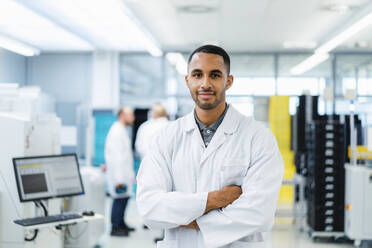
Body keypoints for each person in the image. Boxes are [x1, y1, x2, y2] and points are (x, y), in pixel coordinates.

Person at [136, 44, 284, 248]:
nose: (205, 83)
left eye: (214, 75)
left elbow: (259, 213)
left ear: (228, 81)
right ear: (188, 80)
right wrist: (214, 199)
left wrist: (184, 219)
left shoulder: (258, 138)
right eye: (197, 75)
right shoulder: (167, 137)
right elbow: (149, 207)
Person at [105, 107, 136, 237]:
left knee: (124, 199)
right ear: (122, 115)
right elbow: (117, 157)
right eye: (130, 115)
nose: (133, 118)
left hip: (124, 174)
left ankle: (121, 223)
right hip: (119, 176)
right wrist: (119, 179)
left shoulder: (122, 130)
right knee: (119, 200)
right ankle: (115, 227)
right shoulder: (117, 131)